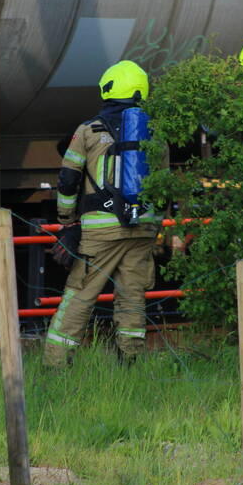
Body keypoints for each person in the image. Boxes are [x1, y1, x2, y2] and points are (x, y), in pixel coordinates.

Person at [43, 60, 161, 367]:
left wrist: (68, 222)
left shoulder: (88, 130)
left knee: (80, 296)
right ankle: (130, 363)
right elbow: (164, 183)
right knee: (133, 297)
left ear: (107, 89)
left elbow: (68, 179)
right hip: (142, 226)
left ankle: (55, 365)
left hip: (101, 230)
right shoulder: (156, 131)